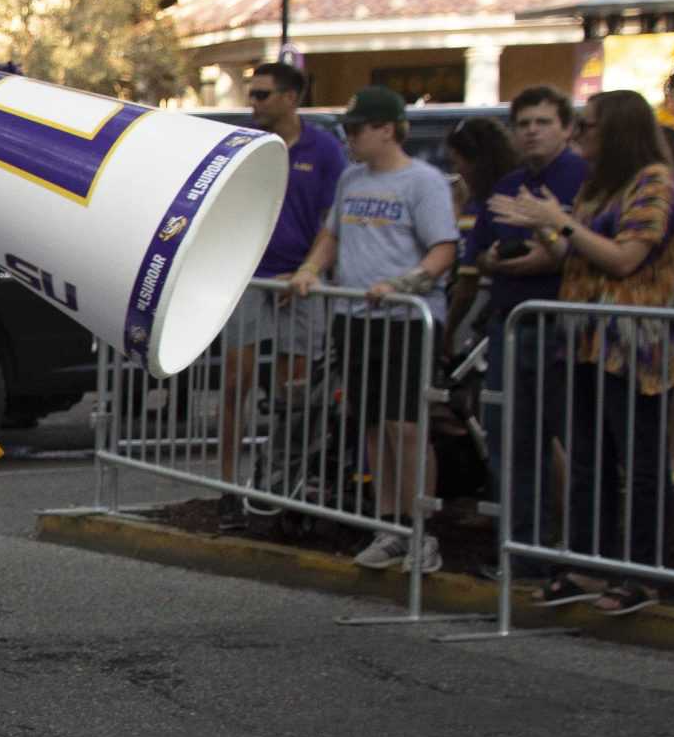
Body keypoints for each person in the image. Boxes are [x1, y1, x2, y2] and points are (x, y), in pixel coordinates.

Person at [489, 90, 674, 616]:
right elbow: (570, 251)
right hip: (583, 337)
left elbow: (625, 259)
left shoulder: (655, 181)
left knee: (640, 464)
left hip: (636, 345)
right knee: (587, 460)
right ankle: (584, 564)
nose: (579, 135)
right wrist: (541, 226)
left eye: (588, 126)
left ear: (618, 130)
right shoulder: (598, 185)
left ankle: (643, 576)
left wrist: (560, 223)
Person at [287, 86, 459, 574]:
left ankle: (421, 529)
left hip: (406, 318)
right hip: (356, 318)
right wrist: (310, 269)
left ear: (388, 129)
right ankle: (390, 525)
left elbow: (443, 248)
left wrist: (404, 283)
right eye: (347, 130)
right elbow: (332, 234)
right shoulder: (352, 181)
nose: (350, 139)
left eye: (358, 129)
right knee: (373, 426)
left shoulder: (423, 183)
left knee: (407, 426)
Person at [461, 86, 590, 555]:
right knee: (510, 440)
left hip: (564, 326)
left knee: (574, 441)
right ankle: (520, 550)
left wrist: (545, 249)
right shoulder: (505, 184)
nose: (532, 132)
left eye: (543, 122)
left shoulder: (583, 177)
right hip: (509, 324)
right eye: (523, 123)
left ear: (567, 128)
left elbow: (583, 250)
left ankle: (578, 550)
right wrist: (498, 258)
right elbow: (479, 255)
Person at [217, 62, 343, 497]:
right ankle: (228, 486)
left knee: (294, 391)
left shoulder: (324, 150)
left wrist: (308, 270)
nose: (252, 102)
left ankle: (282, 482)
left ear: (290, 98)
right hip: (250, 278)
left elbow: (334, 222)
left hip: (300, 280)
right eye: (251, 94)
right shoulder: (246, 147)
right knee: (235, 383)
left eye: (261, 94)